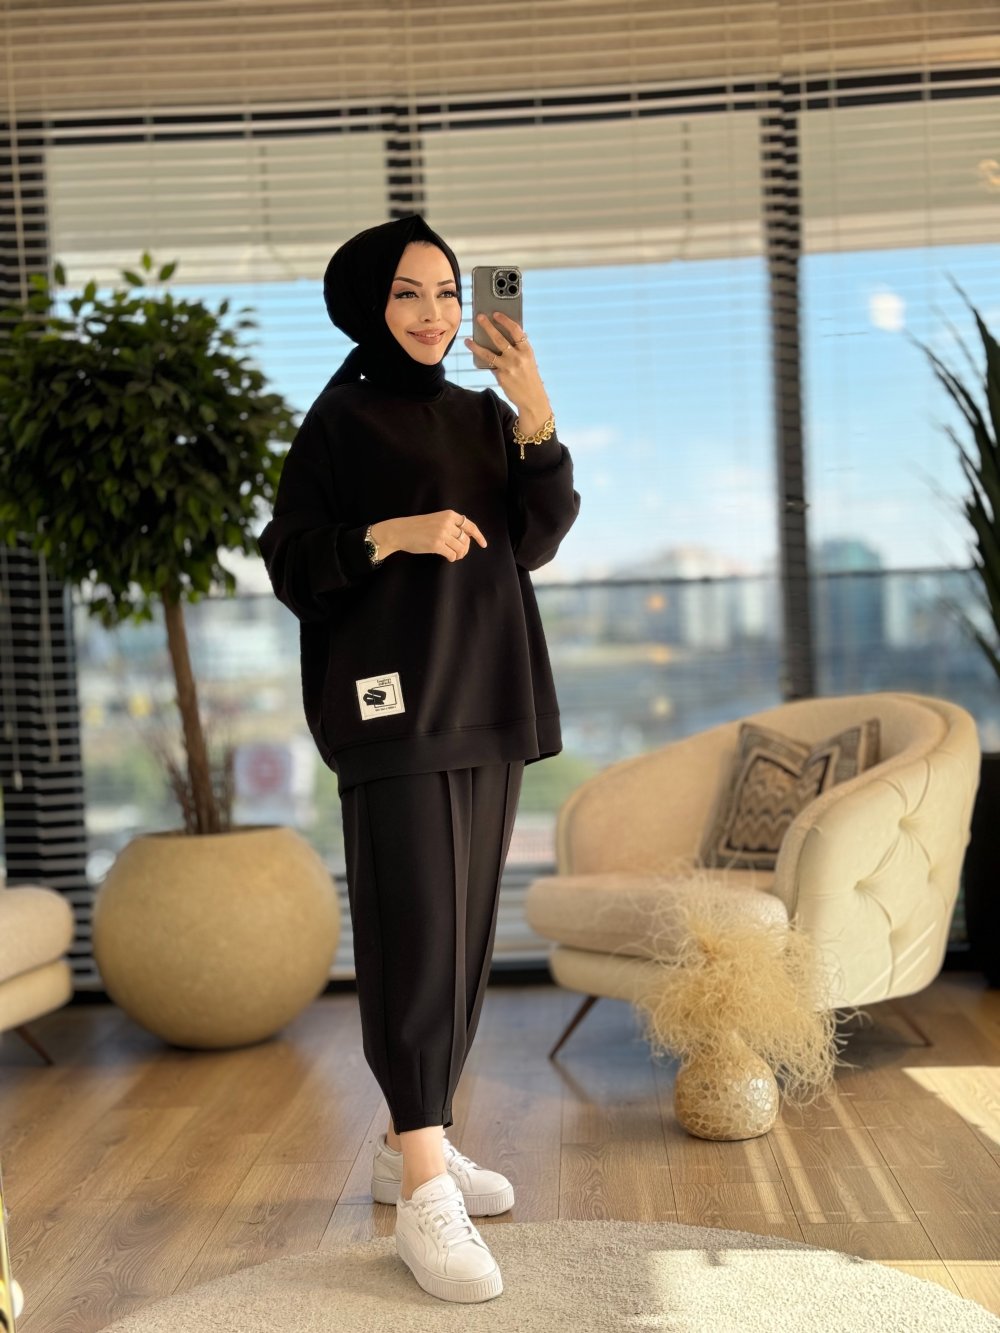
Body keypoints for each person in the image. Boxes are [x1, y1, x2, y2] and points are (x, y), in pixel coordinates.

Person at [258, 213, 580, 1304]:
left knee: (465, 938)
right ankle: (427, 1188)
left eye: (447, 292)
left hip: (488, 696)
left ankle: (418, 1147)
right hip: (392, 708)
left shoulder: (486, 416)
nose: (434, 313)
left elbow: (536, 538)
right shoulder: (339, 419)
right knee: (414, 938)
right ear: (367, 303)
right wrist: (391, 533)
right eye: (408, 292)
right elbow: (291, 559)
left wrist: (534, 408)